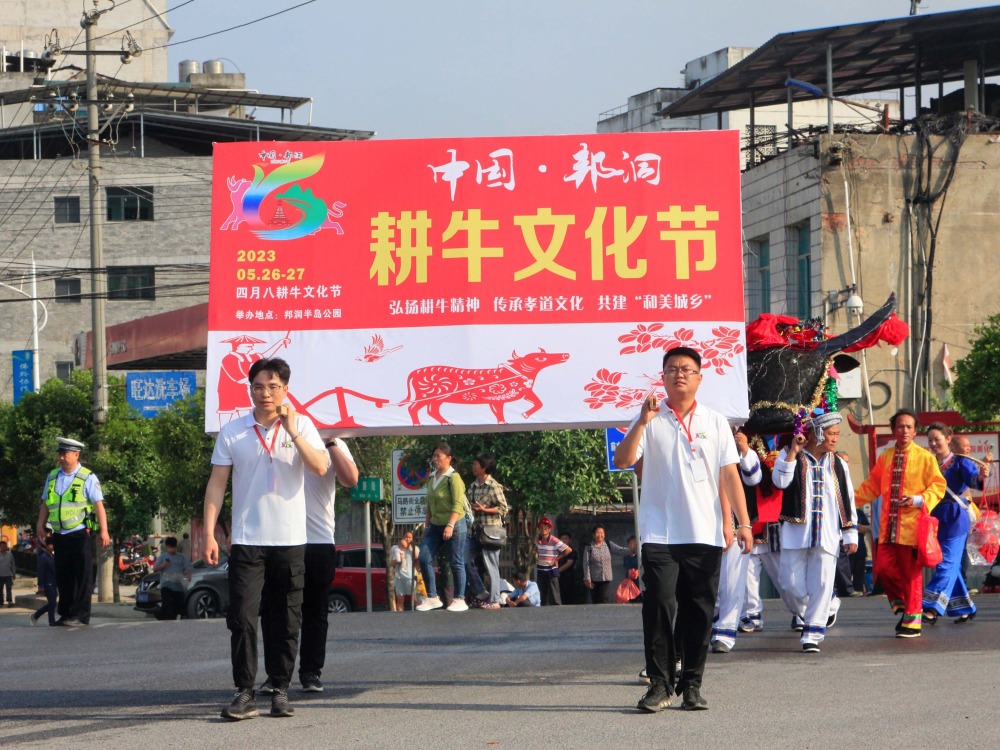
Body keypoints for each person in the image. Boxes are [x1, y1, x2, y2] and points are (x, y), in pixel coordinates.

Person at [615, 346, 753, 713]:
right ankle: (659, 685)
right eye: (672, 369)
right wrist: (642, 422)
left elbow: (729, 475)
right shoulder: (650, 418)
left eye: (687, 369)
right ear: (662, 378)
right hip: (660, 533)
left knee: (699, 611)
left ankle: (691, 685)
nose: (680, 374)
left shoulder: (715, 421)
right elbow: (624, 460)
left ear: (699, 378)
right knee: (658, 605)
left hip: (704, 532)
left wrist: (742, 522)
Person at [203, 357, 330, 721]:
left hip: (290, 540)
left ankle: (279, 689)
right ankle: (244, 691)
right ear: (250, 389)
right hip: (247, 540)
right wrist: (211, 532)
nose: (265, 393)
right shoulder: (233, 431)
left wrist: (291, 430)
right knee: (242, 617)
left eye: (273, 387)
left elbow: (320, 467)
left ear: (285, 390)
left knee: (286, 621)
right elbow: (217, 484)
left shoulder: (302, 425)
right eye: (258, 386)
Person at [260, 433, 357, 694]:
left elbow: (351, 479)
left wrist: (330, 442)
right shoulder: (274, 435)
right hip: (280, 538)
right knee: (275, 611)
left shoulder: (333, 441)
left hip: (318, 540)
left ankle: (311, 672)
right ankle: (276, 674)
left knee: (315, 611)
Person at [772, 412, 858, 653]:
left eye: (836, 434)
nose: (834, 439)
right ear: (815, 433)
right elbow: (780, 482)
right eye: (830, 434)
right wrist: (792, 451)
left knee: (821, 582)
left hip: (828, 533)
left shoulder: (838, 463)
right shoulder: (791, 456)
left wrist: (850, 533)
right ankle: (825, 607)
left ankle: (812, 631)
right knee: (788, 584)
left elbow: (847, 498)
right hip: (796, 531)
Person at [855, 409, 946, 638]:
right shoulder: (885, 457)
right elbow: (872, 486)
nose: (904, 431)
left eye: (908, 427)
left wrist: (917, 499)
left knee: (911, 576)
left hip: (912, 529)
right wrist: (846, 501)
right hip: (888, 529)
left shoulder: (925, 458)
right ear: (894, 430)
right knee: (883, 569)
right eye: (900, 426)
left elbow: (938, 486)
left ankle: (912, 622)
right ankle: (905, 607)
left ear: (915, 431)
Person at [35, 437, 110, 626]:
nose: (61, 458)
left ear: (76, 455)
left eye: (65, 454)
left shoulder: (87, 477)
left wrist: (104, 531)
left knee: (82, 576)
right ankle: (66, 614)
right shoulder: (52, 476)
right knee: (63, 576)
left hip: (79, 533)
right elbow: (45, 502)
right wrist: (40, 524)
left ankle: (81, 615)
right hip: (59, 534)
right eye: (60, 454)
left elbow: (98, 505)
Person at [922, 423, 988, 624]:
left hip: (955, 517)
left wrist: (982, 475)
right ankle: (965, 607)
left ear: (948, 439)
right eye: (930, 440)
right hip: (935, 519)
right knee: (950, 565)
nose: (933, 444)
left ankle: (931, 606)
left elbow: (974, 480)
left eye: (937, 439)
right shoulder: (929, 463)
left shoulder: (960, 462)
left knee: (947, 563)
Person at [710, 430, 762, 653]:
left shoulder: (744, 448)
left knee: (733, 580)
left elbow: (753, 477)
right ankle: (709, 622)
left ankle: (725, 631)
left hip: (736, 523)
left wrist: (744, 449)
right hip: (703, 521)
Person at [416, 443, 469, 612]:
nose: (435, 459)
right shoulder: (432, 477)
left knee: (456, 562)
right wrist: (427, 524)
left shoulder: (453, 478)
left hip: (454, 525)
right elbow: (430, 503)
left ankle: (460, 598)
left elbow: (458, 503)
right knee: (424, 557)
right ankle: (432, 597)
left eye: (439, 456)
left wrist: (450, 524)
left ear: (449, 458)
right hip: (435, 526)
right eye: (434, 456)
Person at [464, 452, 508, 610]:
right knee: (463, 559)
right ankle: (481, 592)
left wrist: (485, 509)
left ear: (484, 467)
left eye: (476, 464)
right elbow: (468, 505)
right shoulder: (473, 485)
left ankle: (495, 600)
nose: (473, 467)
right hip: (475, 530)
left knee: (491, 565)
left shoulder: (493, 486)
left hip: (490, 532)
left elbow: (503, 508)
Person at [582, 525, 630, 604]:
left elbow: (620, 550)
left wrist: (633, 550)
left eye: (601, 533)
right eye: (597, 533)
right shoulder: (589, 547)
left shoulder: (608, 544)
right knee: (595, 599)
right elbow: (586, 563)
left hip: (606, 578)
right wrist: (587, 577)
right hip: (594, 579)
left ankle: (604, 614)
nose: (600, 535)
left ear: (604, 535)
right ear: (593, 535)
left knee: (604, 598)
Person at [153, 536, 192, 621]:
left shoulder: (181, 557)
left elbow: (188, 567)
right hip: (166, 584)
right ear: (167, 547)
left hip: (178, 584)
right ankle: (166, 618)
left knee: (179, 604)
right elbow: (155, 569)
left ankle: (178, 616)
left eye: (173, 547)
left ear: (176, 547)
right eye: (170, 547)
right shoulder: (163, 557)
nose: (172, 549)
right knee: (167, 603)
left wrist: (189, 575)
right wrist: (164, 565)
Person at [535, 517, 571, 605]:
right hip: (541, 569)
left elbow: (568, 550)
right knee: (542, 595)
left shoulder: (554, 540)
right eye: (541, 527)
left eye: (545, 527)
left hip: (551, 570)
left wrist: (557, 558)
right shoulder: (537, 540)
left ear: (550, 529)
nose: (543, 529)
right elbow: (536, 549)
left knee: (555, 595)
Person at [31, 537, 57, 625]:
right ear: (46, 545)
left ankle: (51, 621)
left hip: (53, 582)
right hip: (47, 582)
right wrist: (40, 585)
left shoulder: (52, 556)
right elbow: (40, 571)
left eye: (53, 545)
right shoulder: (43, 557)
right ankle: (37, 615)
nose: (52, 547)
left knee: (52, 602)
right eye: (50, 545)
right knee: (52, 602)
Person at [391, 531, 420, 611]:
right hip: (399, 577)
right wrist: (398, 560)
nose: (407, 539)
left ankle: (419, 613)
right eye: (406, 537)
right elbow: (390, 563)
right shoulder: (396, 549)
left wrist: (411, 547)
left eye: (409, 537)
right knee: (400, 599)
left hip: (411, 577)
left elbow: (417, 559)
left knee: (415, 598)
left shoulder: (415, 549)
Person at [558, 532, 582, 605]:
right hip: (558, 578)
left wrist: (557, 570)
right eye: (562, 538)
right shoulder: (557, 551)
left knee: (569, 598)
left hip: (569, 577)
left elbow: (569, 563)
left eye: (566, 538)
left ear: (570, 540)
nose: (564, 540)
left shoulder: (572, 551)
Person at [0, 541, 13, 607]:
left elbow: (13, 564)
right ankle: (0, 602)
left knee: (9, 588)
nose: (3, 547)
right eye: (2, 546)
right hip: (0, 575)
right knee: (0, 589)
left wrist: (13, 573)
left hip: (8, 574)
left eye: (4, 545)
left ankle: (9, 601)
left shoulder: (10, 555)